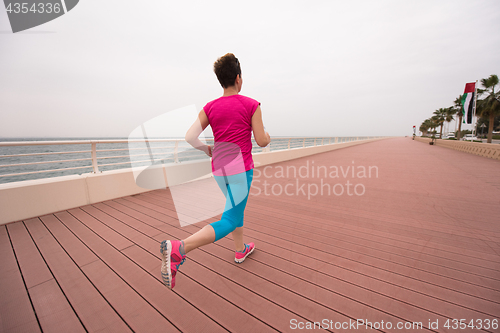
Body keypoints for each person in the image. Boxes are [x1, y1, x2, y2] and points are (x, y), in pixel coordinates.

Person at [160, 53, 271, 289]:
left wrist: (205, 149)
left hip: (219, 168)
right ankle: (180, 248)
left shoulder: (210, 107)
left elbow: (190, 136)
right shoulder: (252, 105)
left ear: (221, 81)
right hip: (240, 168)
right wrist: (267, 135)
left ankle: (240, 250)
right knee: (230, 217)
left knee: (234, 208)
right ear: (239, 79)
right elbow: (261, 140)